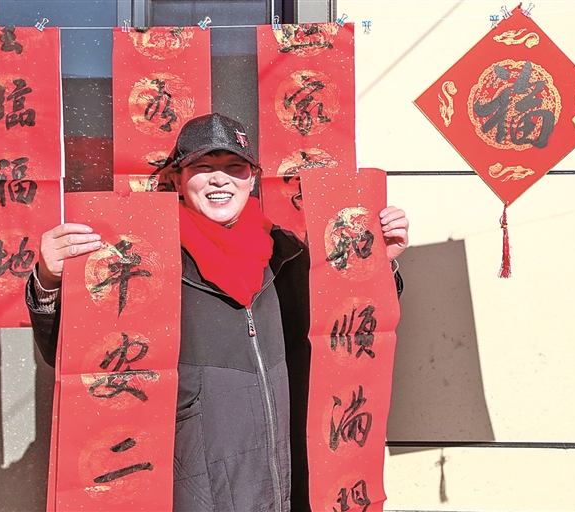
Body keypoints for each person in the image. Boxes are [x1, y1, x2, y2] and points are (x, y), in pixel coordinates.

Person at [26, 113, 409, 511]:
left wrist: (378, 263)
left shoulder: (287, 254)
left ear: (252, 179)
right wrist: (48, 280)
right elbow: (81, 361)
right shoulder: (143, 260)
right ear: (177, 180)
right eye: (202, 167)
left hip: (287, 477)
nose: (219, 179)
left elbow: (347, 326)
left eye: (234, 167)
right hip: (194, 486)